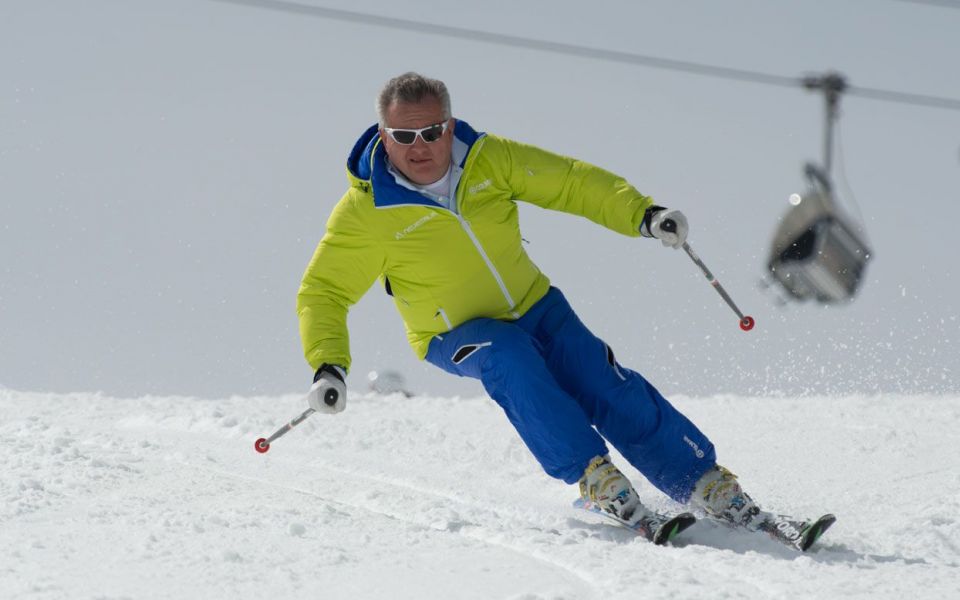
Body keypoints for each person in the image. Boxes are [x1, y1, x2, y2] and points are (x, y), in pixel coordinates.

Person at [297, 72, 787, 542]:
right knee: (510, 357)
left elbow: (569, 182)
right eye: (403, 135)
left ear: (449, 125)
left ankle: (703, 481)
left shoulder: (490, 159)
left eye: (430, 131)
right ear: (384, 136)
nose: (418, 146)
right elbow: (324, 291)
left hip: (535, 305)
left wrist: (642, 214)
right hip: (453, 334)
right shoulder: (366, 213)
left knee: (597, 376)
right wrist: (328, 365)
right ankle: (596, 478)